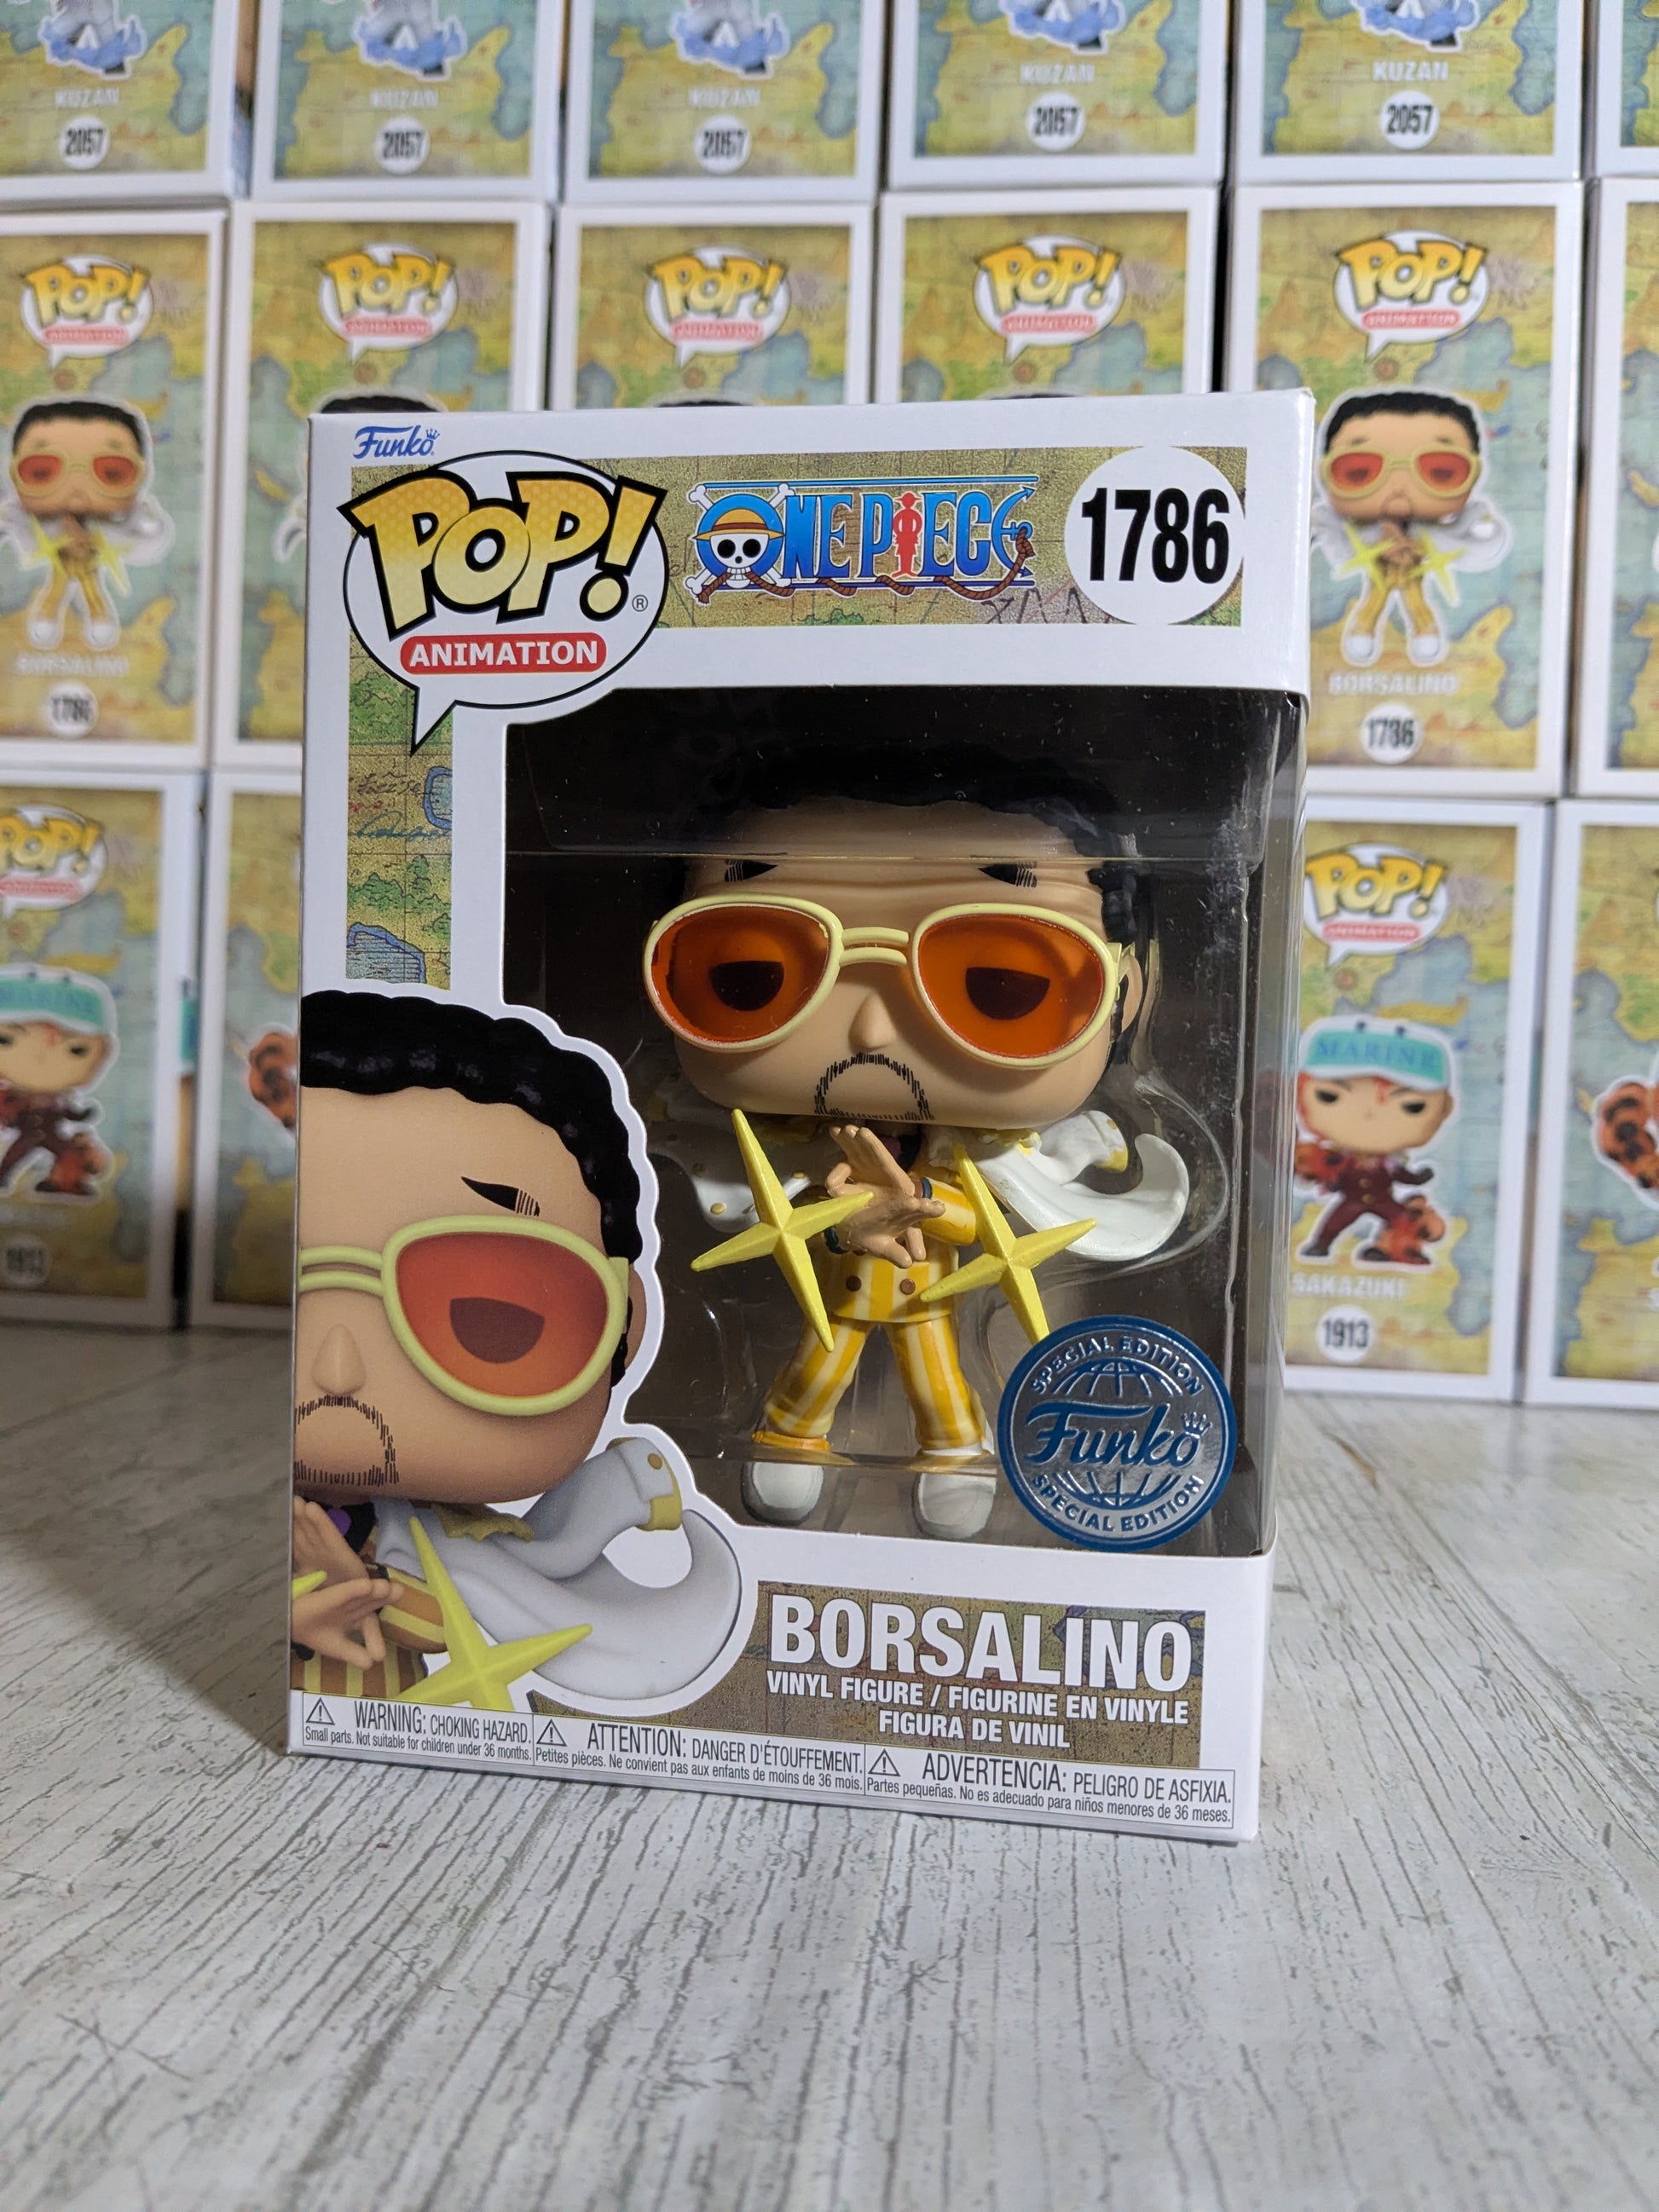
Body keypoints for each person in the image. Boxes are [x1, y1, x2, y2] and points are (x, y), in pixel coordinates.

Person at [643, 791, 1190, 1539]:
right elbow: (795, 1216)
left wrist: (922, 1198)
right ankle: (791, 1436)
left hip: (929, 1294)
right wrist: (842, 1224)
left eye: (999, 980)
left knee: (939, 1386)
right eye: (749, 971)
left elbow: (976, 1219)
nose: (871, 1027)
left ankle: (953, 1450)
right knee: (814, 1374)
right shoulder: (802, 1152)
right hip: (838, 1295)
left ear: (1125, 997)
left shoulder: (976, 1155)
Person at [290, 989, 739, 1705]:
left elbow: (434, 1623)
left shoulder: (430, 1535)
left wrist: (355, 1587)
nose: (335, 1368)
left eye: (489, 1312)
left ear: (625, 1327)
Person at [1313, 389, 1509, 669]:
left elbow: (1483, 546)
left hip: (1412, 565)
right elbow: (1338, 547)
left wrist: (1420, 543)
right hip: (1381, 565)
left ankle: (1420, 630)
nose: (1399, 486)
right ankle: (1367, 629)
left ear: (1475, 473)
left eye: (1441, 471)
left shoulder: (1459, 529)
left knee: (1413, 594)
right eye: (1359, 471)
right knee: (1377, 594)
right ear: (1325, 474)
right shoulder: (1333, 528)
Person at [3, 397, 171, 650]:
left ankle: (96, 616)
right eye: (42, 471)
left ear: (142, 474)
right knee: (58, 585)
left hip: (90, 561)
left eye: (112, 472)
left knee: (90, 587)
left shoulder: (125, 525)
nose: (77, 492)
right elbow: (15, 526)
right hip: (60, 561)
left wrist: (138, 526)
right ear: (13, 474)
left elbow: (149, 543)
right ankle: (51, 616)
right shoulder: (23, 519)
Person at [1294, 1016, 1454, 1268]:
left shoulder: (1389, 1162)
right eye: (1329, 1096)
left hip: (1383, 1200)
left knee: (1403, 1220)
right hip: (1352, 1199)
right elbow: (1330, 1173)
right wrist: (1331, 1180)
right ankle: (1321, 1244)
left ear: (1445, 1108)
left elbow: (1400, 1174)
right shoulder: (1339, 1157)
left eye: (1412, 1106)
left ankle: (1388, 1249)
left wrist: (1417, 1178)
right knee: (1335, 1222)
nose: (1368, 1115)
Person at [0, 967, 115, 1200]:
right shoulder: (15, 1095)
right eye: (6, 1040)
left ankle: (62, 1182)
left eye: (76, 1050)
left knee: (67, 1154)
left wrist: (81, 1115)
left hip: (51, 1133)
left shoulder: (57, 1099)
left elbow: (67, 1112)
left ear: (102, 1052)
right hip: (27, 1132)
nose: (40, 1058)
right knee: (14, 1156)